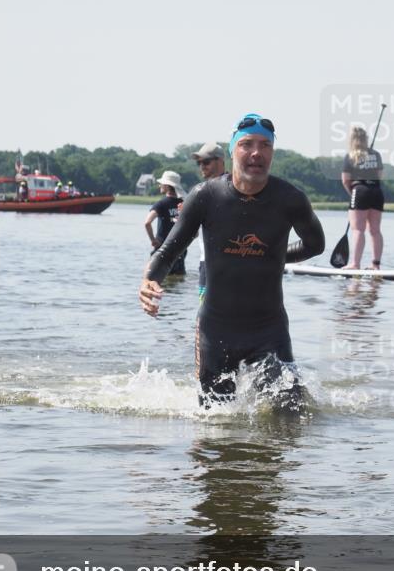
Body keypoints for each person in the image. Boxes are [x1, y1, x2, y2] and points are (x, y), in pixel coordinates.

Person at [139, 113, 325, 406]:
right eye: (247, 144)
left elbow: (316, 245)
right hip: (216, 330)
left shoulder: (290, 199)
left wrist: (274, 256)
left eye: (265, 145)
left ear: (272, 153)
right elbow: (168, 251)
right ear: (232, 150)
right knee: (213, 425)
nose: (256, 153)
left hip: (269, 330)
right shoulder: (205, 196)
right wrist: (150, 279)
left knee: (291, 413)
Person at [340, 126, 384, 269]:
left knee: (358, 229)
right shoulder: (376, 155)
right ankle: (375, 264)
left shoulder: (351, 156)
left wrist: (352, 194)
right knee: (375, 230)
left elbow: (345, 180)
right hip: (376, 191)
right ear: (366, 138)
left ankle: (355, 264)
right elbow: (379, 176)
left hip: (360, 191)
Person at [191, 142, 228, 299]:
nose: (202, 166)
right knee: (203, 316)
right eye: (199, 163)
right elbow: (193, 235)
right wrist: (187, 219)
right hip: (205, 263)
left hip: (228, 263)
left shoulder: (233, 186)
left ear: (220, 161)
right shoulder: (200, 191)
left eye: (206, 162)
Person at [143, 170, 187, 276]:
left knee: (153, 280)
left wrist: (153, 240)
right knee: (177, 281)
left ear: (167, 186)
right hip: (180, 251)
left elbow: (147, 222)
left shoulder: (161, 204)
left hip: (163, 250)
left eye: (161, 183)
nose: (159, 185)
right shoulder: (184, 204)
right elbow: (195, 234)